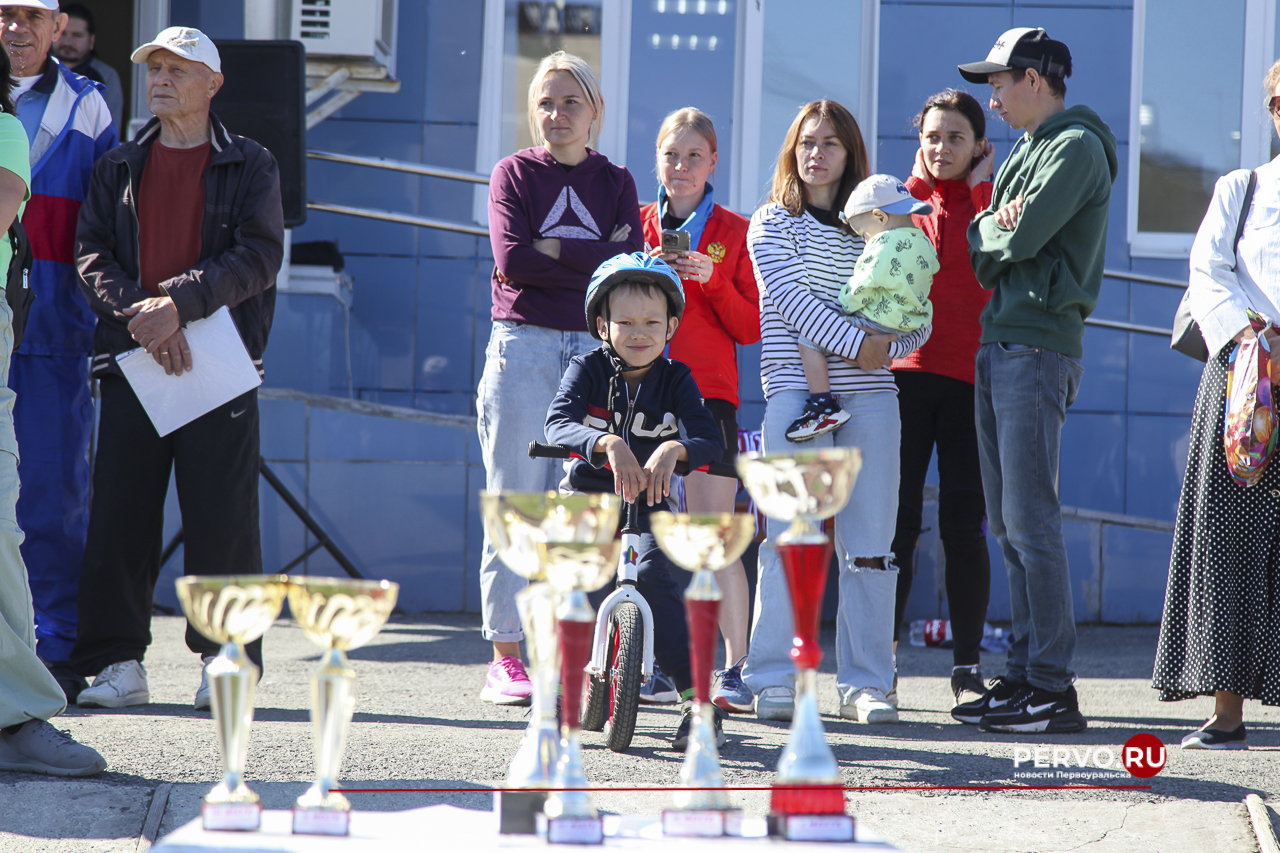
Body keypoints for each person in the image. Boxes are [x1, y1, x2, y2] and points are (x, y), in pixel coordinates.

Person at [69, 28, 284, 710]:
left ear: (212, 83)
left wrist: (179, 304)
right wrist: (146, 315)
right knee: (119, 517)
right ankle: (117, 665)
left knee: (224, 520)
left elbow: (259, 254)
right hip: (134, 356)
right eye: (153, 67)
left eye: (177, 68)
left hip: (218, 358)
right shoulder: (119, 165)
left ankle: (228, 662)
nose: (160, 78)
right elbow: (91, 254)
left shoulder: (252, 163)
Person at [743, 100, 930, 725]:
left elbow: (913, 311)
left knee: (871, 549)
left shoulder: (877, 229)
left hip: (873, 398)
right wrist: (864, 344)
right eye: (806, 142)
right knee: (788, 538)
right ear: (792, 153)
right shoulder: (772, 222)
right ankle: (772, 677)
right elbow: (790, 299)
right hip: (797, 397)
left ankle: (867, 684)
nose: (816, 152)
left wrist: (893, 347)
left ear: (851, 155)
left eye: (831, 143)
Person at [954, 27, 1116, 734]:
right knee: (1010, 525)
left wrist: (998, 225)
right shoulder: (1028, 151)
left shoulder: (1077, 146)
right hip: (1004, 341)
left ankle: (1053, 686)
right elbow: (984, 243)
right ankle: (1023, 674)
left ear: (1035, 79)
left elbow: (1012, 239)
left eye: (998, 81)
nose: (990, 96)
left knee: (1031, 522)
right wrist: (997, 222)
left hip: (1038, 346)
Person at [479, 51, 643, 706]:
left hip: (594, 352)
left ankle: (577, 652)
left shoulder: (618, 180)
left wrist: (557, 254)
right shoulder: (512, 173)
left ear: (595, 112)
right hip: (521, 347)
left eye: (570, 102)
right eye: (545, 102)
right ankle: (506, 655)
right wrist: (591, 254)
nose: (557, 114)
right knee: (516, 498)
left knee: (585, 503)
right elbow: (511, 258)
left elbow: (627, 262)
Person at [545, 251, 724, 748]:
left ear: (670, 326)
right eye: (624, 322)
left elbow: (710, 438)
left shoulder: (677, 379)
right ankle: (565, 685)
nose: (639, 332)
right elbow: (556, 422)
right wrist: (605, 443)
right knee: (579, 583)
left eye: (651, 322)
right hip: (591, 497)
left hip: (649, 504)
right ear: (602, 326)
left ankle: (696, 702)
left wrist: (675, 446)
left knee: (654, 580)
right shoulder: (586, 369)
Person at [1151, 60, 1280, 750]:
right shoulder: (1244, 186)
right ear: (1276, 108)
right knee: (1227, 543)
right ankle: (1227, 711)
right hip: (1244, 376)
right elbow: (1208, 269)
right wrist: (1250, 336)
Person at [0, 0, 117, 704]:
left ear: (57, 26)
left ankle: (58, 647)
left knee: (52, 494)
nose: (16, 29)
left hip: (54, 320)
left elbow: (108, 215)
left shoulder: (90, 105)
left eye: (30, 18)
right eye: (4, 15)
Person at [639, 107, 759, 714]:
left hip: (709, 399)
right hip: (645, 397)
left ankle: (735, 672)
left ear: (713, 163)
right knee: (653, 540)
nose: (681, 167)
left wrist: (710, 278)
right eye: (671, 155)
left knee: (714, 539)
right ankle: (663, 668)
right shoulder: (637, 225)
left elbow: (750, 325)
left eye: (694, 156)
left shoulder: (736, 232)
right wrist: (644, 274)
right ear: (656, 159)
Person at [890, 88, 996, 712]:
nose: (942, 147)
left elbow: (989, 260)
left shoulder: (993, 203)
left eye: (956, 137)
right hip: (904, 378)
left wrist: (981, 191)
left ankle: (966, 668)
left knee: (963, 526)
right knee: (897, 526)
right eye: (933, 136)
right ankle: (886, 660)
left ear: (979, 146)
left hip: (969, 380)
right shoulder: (896, 204)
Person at [785, 174, 937, 442]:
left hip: (877, 321)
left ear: (880, 217)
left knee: (809, 340)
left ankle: (821, 406)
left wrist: (844, 304)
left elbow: (862, 286)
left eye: (863, 233)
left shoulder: (882, 245)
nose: (865, 241)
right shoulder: (924, 242)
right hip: (908, 326)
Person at [54, 4, 124, 135]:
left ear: (92, 41)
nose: (68, 42)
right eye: (63, 33)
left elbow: (109, 134)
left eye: (77, 35)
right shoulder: (36, 69)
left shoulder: (107, 76)